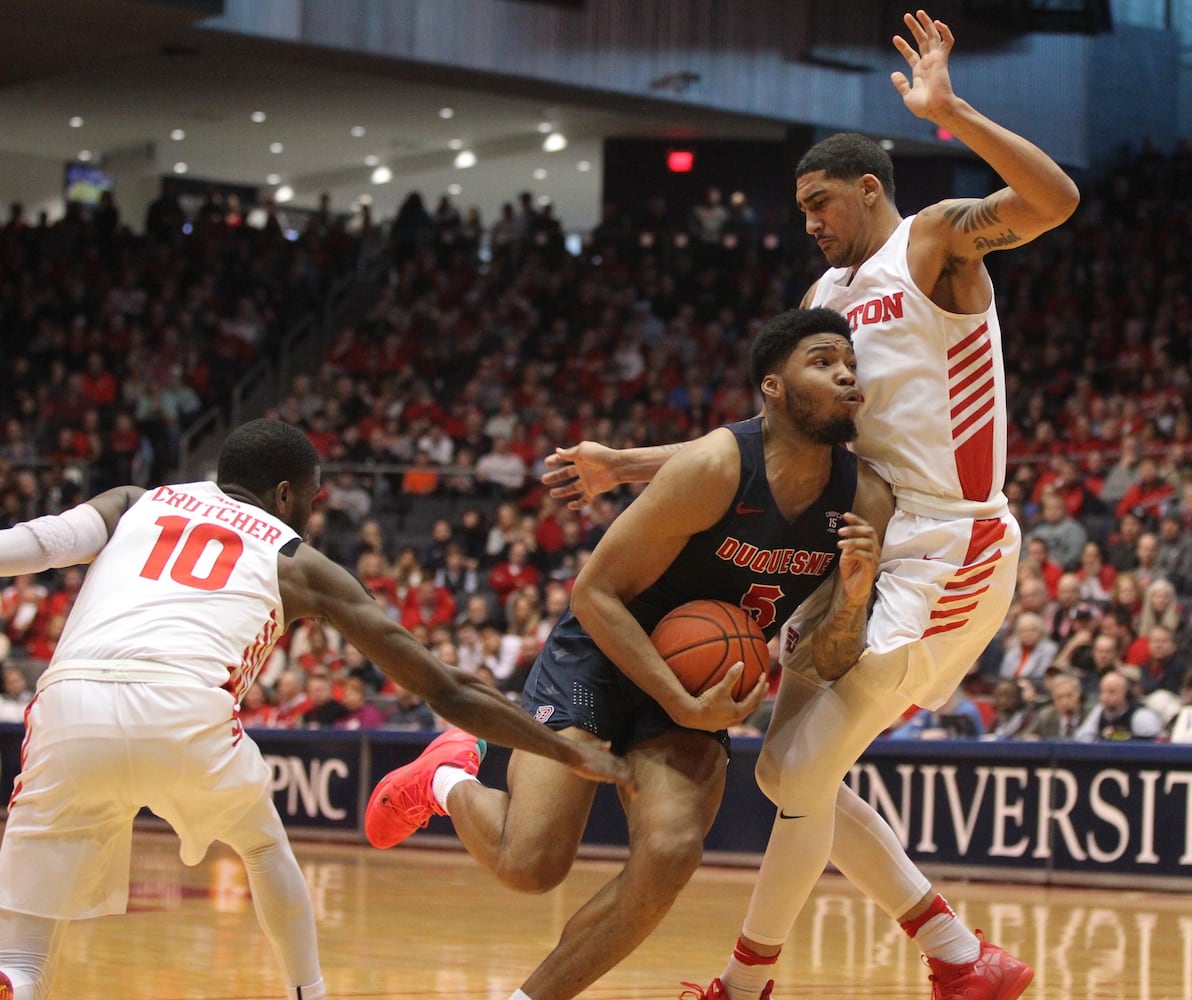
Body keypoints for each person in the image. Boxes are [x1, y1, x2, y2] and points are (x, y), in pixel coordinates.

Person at [542, 11, 1078, 1000]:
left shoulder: (932, 244)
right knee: (788, 768)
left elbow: (1054, 198)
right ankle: (960, 959)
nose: (811, 221)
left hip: (944, 546)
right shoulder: (823, 293)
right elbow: (773, 438)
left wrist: (951, 111)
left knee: (797, 774)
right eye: (800, 209)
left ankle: (760, 983)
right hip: (850, 543)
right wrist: (633, 464)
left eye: (821, 201)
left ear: (870, 188)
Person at [0, 418, 632, 1000]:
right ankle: (309, 993)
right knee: (263, 850)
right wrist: (563, 748)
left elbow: (38, 543)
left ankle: (15, 978)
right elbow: (446, 690)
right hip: (183, 706)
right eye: (310, 497)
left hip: (69, 703)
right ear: (283, 494)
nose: (309, 512)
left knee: (21, 957)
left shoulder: (139, 500)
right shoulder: (298, 561)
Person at [364, 308, 889, 1000]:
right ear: (773, 387)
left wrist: (853, 600)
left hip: (698, 689)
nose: (845, 373)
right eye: (822, 362)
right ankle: (447, 776)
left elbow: (827, 657)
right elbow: (594, 593)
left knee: (670, 850)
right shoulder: (714, 467)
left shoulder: (865, 503)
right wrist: (676, 697)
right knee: (530, 866)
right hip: (607, 658)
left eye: (849, 363)